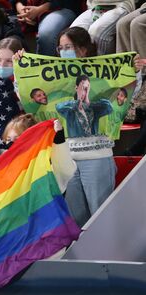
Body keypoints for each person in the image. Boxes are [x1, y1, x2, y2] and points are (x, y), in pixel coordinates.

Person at [55, 75, 115, 227]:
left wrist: (88, 100)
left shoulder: (95, 107)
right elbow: (59, 108)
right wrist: (78, 102)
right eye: (82, 87)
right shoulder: (70, 108)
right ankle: (84, 247)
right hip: (70, 158)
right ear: (76, 88)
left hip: (96, 157)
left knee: (100, 211)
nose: (84, 90)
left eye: (87, 87)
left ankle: (106, 248)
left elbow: (109, 106)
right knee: (76, 213)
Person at [2, 114, 77, 193]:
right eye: (8, 139)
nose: (11, 143)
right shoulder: (7, 162)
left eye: (17, 139)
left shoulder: (46, 155)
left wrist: (59, 139)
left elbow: (67, 171)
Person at [13, 0, 81, 56]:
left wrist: (39, 10)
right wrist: (22, 10)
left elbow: (67, 2)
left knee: (47, 33)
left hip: (60, 8)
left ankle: (44, 67)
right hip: (25, 10)